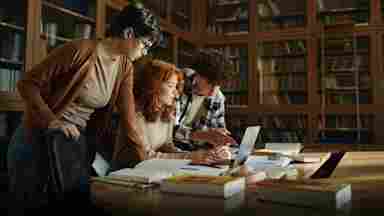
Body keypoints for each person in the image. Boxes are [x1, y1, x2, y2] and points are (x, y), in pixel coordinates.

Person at [7, 2, 160, 214]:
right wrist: (53, 120)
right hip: (37, 141)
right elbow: (27, 83)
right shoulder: (80, 50)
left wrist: (147, 161)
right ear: (128, 33)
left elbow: (129, 119)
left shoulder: (125, 66)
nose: (145, 52)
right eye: (144, 44)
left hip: (69, 148)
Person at [111, 59, 231, 169]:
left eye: (176, 87)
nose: (177, 94)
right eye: (170, 86)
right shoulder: (135, 115)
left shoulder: (166, 112)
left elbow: (167, 146)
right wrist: (192, 157)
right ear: (154, 86)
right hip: (128, 174)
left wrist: (199, 156)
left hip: (153, 171)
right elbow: (144, 157)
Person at [174, 53, 237, 151]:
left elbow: (218, 131)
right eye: (211, 84)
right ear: (197, 75)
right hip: (170, 151)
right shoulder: (176, 86)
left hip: (197, 154)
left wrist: (221, 142)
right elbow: (169, 131)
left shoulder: (217, 97)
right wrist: (201, 135)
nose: (213, 92)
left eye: (218, 86)